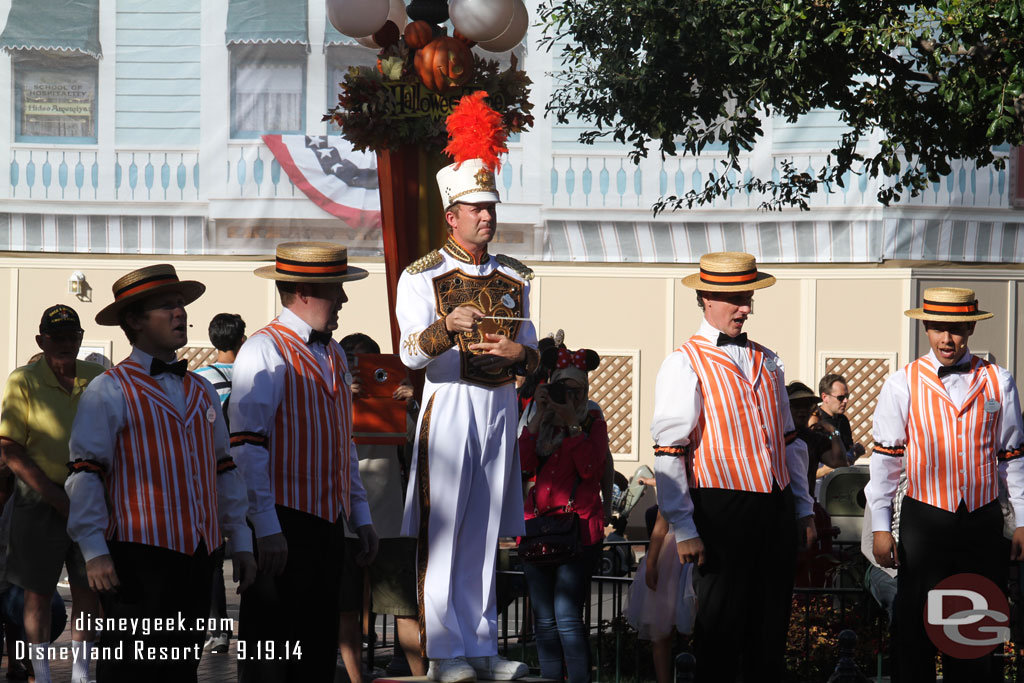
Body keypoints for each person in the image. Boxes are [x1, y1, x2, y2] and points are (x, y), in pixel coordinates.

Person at [397, 92, 538, 683]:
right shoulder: (420, 275)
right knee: (446, 528)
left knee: (484, 530)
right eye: (476, 208)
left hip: (500, 406)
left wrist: (518, 354)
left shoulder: (515, 275)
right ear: (451, 214)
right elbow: (407, 352)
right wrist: (443, 327)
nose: (487, 216)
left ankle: (480, 644)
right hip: (450, 406)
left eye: (491, 207)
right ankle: (444, 651)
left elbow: (534, 350)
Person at [65, 264, 257, 682]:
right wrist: (94, 551)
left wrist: (240, 538)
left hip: (197, 558)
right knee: (133, 671)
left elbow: (224, 469)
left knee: (180, 670)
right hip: (138, 559)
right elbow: (85, 474)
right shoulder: (109, 389)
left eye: (181, 303)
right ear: (134, 320)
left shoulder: (201, 388)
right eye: (166, 305)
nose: (180, 312)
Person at [650, 251, 815, 682]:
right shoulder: (684, 361)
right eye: (736, 298)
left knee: (770, 631)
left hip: (774, 508)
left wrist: (801, 507)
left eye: (749, 297)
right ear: (706, 298)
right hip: (721, 509)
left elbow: (789, 442)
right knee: (721, 630)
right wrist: (684, 527)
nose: (746, 307)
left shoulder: (768, 359)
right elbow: (670, 449)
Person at [229, 242, 377, 683]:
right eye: (337, 289)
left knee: (314, 649)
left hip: (326, 523)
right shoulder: (264, 349)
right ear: (305, 292)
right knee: (273, 652)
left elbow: (342, 442)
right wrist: (267, 527)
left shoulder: (332, 353)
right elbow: (246, 446)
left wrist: (360, 515)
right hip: (285, 522)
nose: (344, 300)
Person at [866, 286, 1024, 682]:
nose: (947, 338)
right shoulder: (901, 383)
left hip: (983, 519)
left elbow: (1013, 457)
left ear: (970, 327)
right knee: (916, 622)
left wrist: (1022, 519)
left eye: (955, 328)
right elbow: (886, 464)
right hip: (925, 519)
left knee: (977, 625)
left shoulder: (999, 381)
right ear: (926, 329)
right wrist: (882, 528)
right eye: (938, 328)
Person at [0, 304, 103, 683]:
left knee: (89, 592)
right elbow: (10, 448)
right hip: (37, 499)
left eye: (71, 337)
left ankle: (81, 675)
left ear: (80, 338)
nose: (64, 344)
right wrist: (55, 497)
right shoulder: (23, 380)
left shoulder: (99, 377)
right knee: (37, 593)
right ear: (41, 340)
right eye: (56, 337)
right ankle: (40, 675)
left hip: (91, 498)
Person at [337, 332, 425, 682]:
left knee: (403, 608)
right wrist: (343, 399)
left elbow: (419, 449)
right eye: (353, 364)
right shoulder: (330, 399)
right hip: (343, 517)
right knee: (346, 607)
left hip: (390, 517)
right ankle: (357, 679)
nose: (362, 372)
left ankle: (420, 677)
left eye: (372, 366)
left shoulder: (395, 399)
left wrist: (409, 405)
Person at [519, 347, 605, 683]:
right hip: (537, 527)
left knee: (567, 615)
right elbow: (523, 467)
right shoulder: (536, 420)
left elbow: (589, 470)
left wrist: (572, 426)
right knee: (543, 618)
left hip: (579, 530)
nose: (567, 397)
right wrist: (540, 416)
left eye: (575, 391)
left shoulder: (591, 421)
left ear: (584, 393)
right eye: (560, 390)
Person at [193, 312, 246, 655]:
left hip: (211, 473)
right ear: (241, 339)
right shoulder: (252, 376)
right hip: (249, 470)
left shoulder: (199, 379)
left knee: (213, 553)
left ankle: (218, 628)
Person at [626, 508, 695, 683]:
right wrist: (651, 564)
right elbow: (660, 527)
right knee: (662, 630)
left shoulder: (675, 485)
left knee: (662, 632)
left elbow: (660, 528)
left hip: (673, 554)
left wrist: (651, 563)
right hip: (674, 555)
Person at [786, 381, 847, 493]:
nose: (802, 410)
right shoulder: (775, 437)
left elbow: (840, 462)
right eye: (797, 406)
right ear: (785, 407)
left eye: (807, 405)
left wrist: (834, 432)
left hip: (807, 503)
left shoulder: (814, 439)